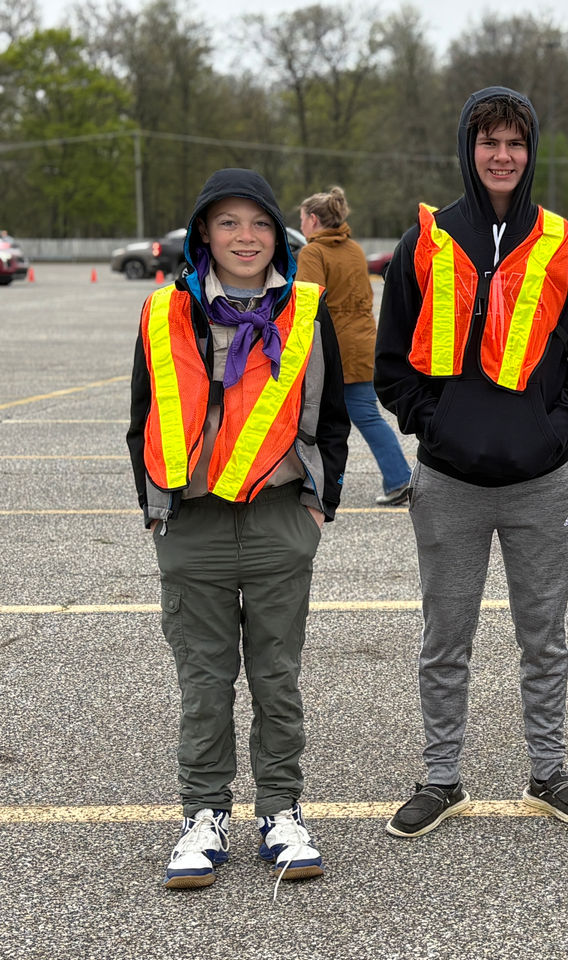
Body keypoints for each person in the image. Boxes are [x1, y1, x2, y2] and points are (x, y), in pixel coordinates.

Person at [374, 87, 568, 837]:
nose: (503, 155)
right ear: (468, 149)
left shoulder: (565, 244)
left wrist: (558, 429)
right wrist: (433, 426)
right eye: (490, 142)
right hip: (449, 481)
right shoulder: (427, 242)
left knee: (542, 636)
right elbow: (391, 365)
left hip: (540, 482)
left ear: (530, 151)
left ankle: (549, 770)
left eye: (515, 142)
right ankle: (440, 778)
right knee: (444, 639)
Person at [126, 168, 350, 888]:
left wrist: (322, 504)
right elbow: (141, 422)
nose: (245, 237)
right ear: (203, 236)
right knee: (203, 679)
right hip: (191, 524)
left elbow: (336, 415)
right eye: (227, 223)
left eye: (258, 223)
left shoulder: (307, 310)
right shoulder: (164, 312)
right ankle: (203, 814)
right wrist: (155, 507)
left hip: (280, 518)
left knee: (277, 677)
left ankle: (281, 811)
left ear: (276, 235)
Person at [298, 186, 413, 505]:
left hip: (334, 348)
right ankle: (397, 478)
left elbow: (308, 301)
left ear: (312, 219)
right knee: (362, 415)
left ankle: (320, 483)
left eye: (302, 220)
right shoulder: (353, 249)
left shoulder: (312, 252)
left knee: (318, 420)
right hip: (364, 342)